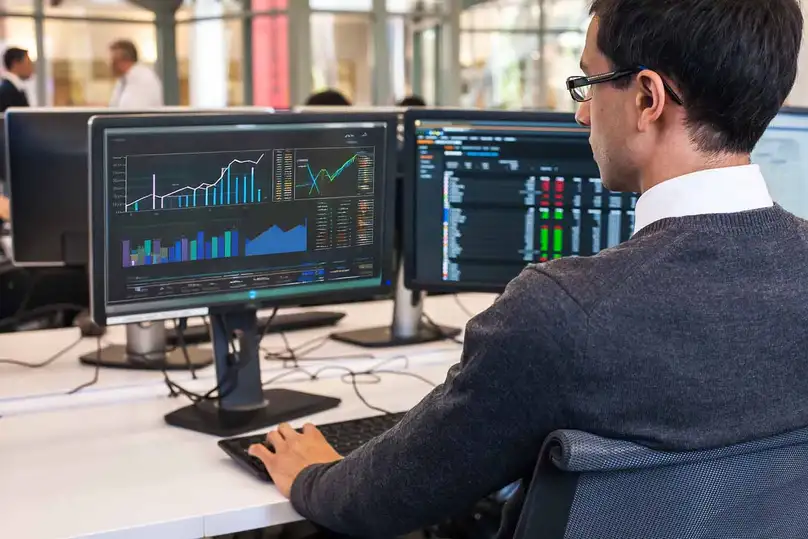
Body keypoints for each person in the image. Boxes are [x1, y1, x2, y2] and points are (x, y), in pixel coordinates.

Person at [248, 0, 807, 537]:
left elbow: (381, 502)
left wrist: (314, 477)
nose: (582, 111)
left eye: (589, 83)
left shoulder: (562, 312)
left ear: (647, 98)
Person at [108, 39, 163, 109]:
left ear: (123, 60)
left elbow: (132, 110)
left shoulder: (143, 78)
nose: (110, 65)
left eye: (113, 61)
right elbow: (114, 106)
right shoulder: (123, 80)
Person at [0, 47, 33, 112]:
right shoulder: (6, 91)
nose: (31, 67)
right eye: (28, 63)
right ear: (15, 63)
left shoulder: (16, 88)